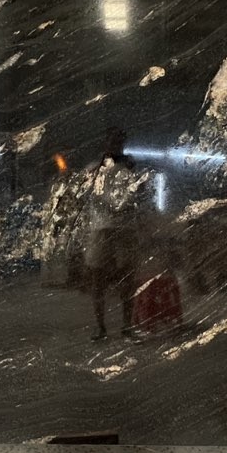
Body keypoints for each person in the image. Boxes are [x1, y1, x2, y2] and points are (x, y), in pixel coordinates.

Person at [84, 127, 142, 341]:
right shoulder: (94, 170)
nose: (115, 145)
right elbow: (90, 197)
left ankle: (126, 326)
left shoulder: (127, 169)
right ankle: (102, 327)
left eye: (119, 141)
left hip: (122, 229)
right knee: (98, 280)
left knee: (126, 279)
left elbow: (135, 198)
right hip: (102, 229)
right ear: (105, 143)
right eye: (112, 141)